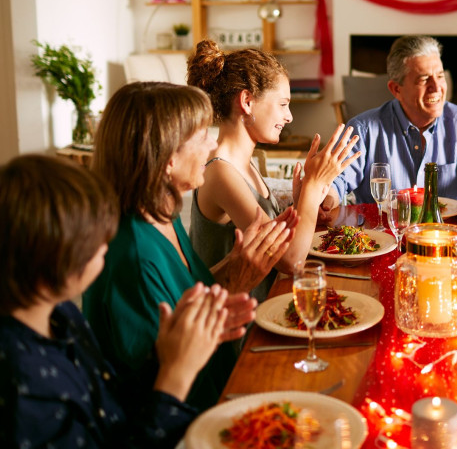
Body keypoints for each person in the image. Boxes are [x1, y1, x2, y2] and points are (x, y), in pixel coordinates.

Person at [84, 81, 298, 410]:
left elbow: (185, 296)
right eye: (201, 137)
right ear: (167, 158)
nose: (213, 146)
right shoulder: (133, 255)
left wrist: (237, 264)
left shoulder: (161, 216)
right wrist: (239, 278)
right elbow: (164, 381)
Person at [0, 155, 229, 449]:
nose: (107, 243)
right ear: (49, 256)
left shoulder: (62, 316)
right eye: (94, 238)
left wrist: (169, 352)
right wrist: (175, 377)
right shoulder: (20, 381)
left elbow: (113, 403)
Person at [186, 40, 360, 301]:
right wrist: (312, 187)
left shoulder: (243, 164)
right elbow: (290, 261)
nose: (289, 116)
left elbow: (276, 240)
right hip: (241, 331)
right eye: (282, 104)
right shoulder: (220, 172)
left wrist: (303, 203)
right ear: (247, 101)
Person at [324, 35, 457, 218]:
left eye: (440, 76)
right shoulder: (363, 129)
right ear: (396, 89)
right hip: (382, 237)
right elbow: (337, 181)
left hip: (449, 235)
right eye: (424, 79)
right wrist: (327, 200)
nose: (437, 87)